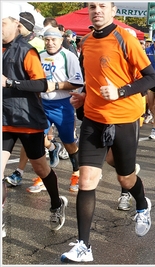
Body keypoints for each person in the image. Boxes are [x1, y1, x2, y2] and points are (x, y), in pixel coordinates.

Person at [60, 2, 155, 263]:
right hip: (93, 119)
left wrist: (121, 91)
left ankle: (141, 204)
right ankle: (83, 246)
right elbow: (92, 78)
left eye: (102, 5)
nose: (97, 10)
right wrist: (83, 97)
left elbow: (151, 78)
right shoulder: (86, 42)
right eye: (92, 6)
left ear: (113, 10)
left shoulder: (125, 38)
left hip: (124, 119)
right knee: (86, 181)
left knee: (125, 179)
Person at [2, 7, 67, 236]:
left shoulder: (26, 51)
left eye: (2, 24)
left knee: (41, 167)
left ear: (15, 24)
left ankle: (56, 203)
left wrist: (10, 83)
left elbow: (41, 84)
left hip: (27, 118)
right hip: (3, 121)